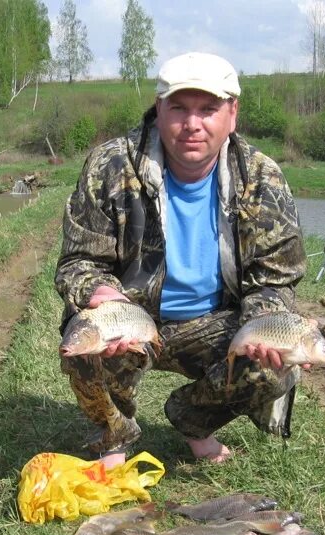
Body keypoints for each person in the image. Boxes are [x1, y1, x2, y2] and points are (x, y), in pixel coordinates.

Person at [55, 51, 309, 469]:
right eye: (179, 108)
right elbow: (79, 262)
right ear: (159, 109)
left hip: (216, 323)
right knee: (83, 339)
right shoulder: (110, 166)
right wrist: (98, 292)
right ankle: (116, 434)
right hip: (133, 316)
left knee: (278, 363)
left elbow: (274, 280)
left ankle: (192, 420)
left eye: (208, 110)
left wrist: (265, 325)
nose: (193, 124)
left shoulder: (262, 178)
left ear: (232, 114)